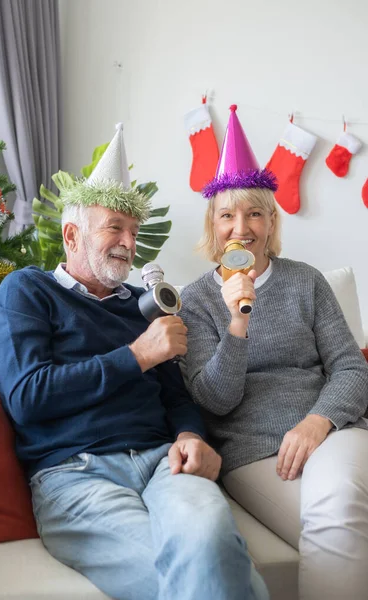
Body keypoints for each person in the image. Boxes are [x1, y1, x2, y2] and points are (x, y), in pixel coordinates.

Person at [0, 123, 268, 600]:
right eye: (114, 227)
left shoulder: (146, 303)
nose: (127, 242)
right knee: (212, 577)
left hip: (164, 463)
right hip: (75, 475)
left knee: (212, 543)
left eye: (134, 232)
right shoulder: (28, 291)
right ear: (72, 234)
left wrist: (189, 435)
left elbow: (176, 396)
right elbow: (28, 398)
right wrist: (137, 354)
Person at [180, 106, 368, 600]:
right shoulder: (196, 301)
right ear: (213, 225)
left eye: (254, 213)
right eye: (227, 215)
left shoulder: (307, 281)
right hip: (252, 454)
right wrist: (237, 321)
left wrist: (318, 420)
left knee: (339, 504)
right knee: (335, 520)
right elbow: (214, 400)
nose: (240, 227)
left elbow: (350, 366)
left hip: (331, 432)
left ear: (270, 221)